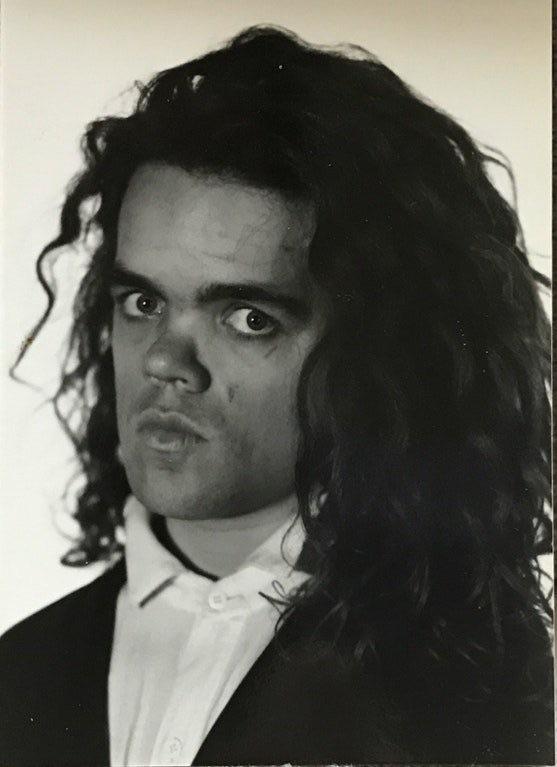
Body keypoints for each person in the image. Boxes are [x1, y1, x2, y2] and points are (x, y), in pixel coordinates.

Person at [0, 25, 553, 766]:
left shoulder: (474, 685)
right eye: (142, 302)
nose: (166, 360)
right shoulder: (18, 669)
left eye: (247, 318)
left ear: (375, 354)